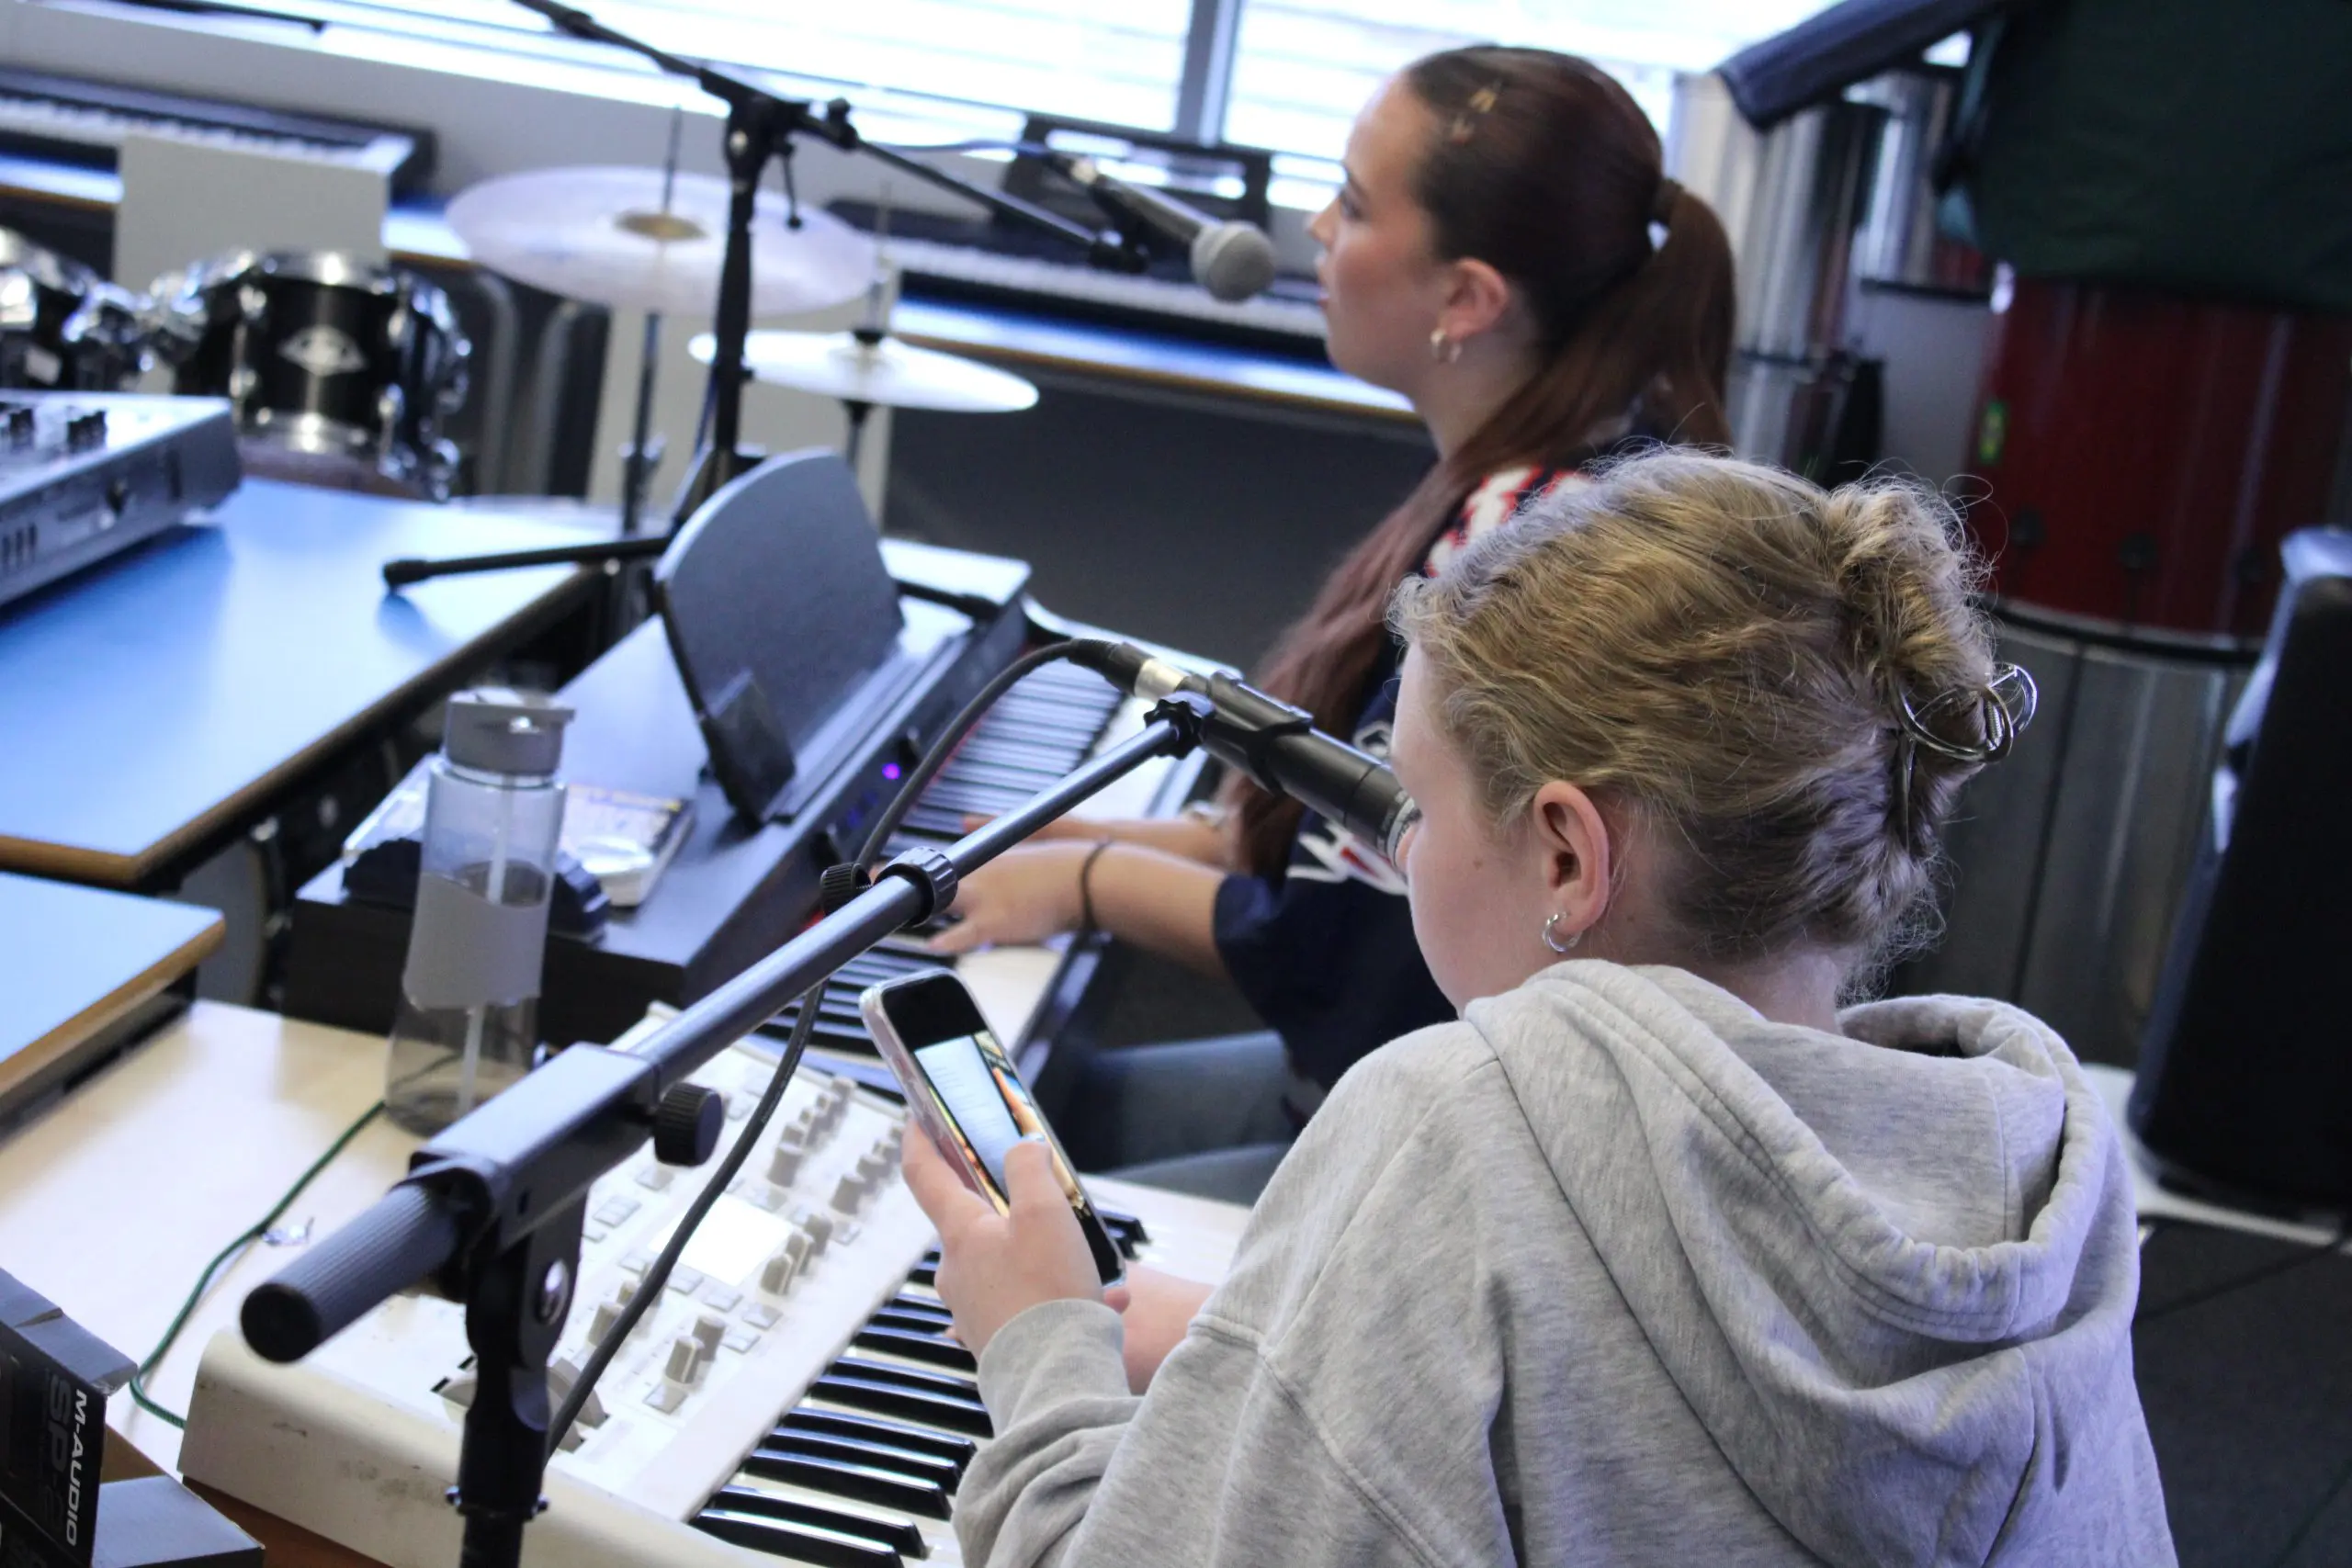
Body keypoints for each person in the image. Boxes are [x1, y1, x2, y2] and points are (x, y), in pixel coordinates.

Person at [904, 451, 2176, 1567]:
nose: (1402, 854)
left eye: (1418, 805)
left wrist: (1040, 1339)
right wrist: (1291, 1349)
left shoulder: (1459, 1123)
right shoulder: (2033, 1190)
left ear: (1567, 855)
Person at [933, 45, 1737, 1199]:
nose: (1316, 228)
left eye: (1354, 205)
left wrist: (1083, 879)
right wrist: (1024, 844)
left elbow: (1344, 933)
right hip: (1402, 1099)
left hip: (1458, 1168)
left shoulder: (1521, 561)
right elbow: (1310, 841)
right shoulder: (1535, 483)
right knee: (1038, 1113)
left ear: (1465, 298)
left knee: (977, 1197)